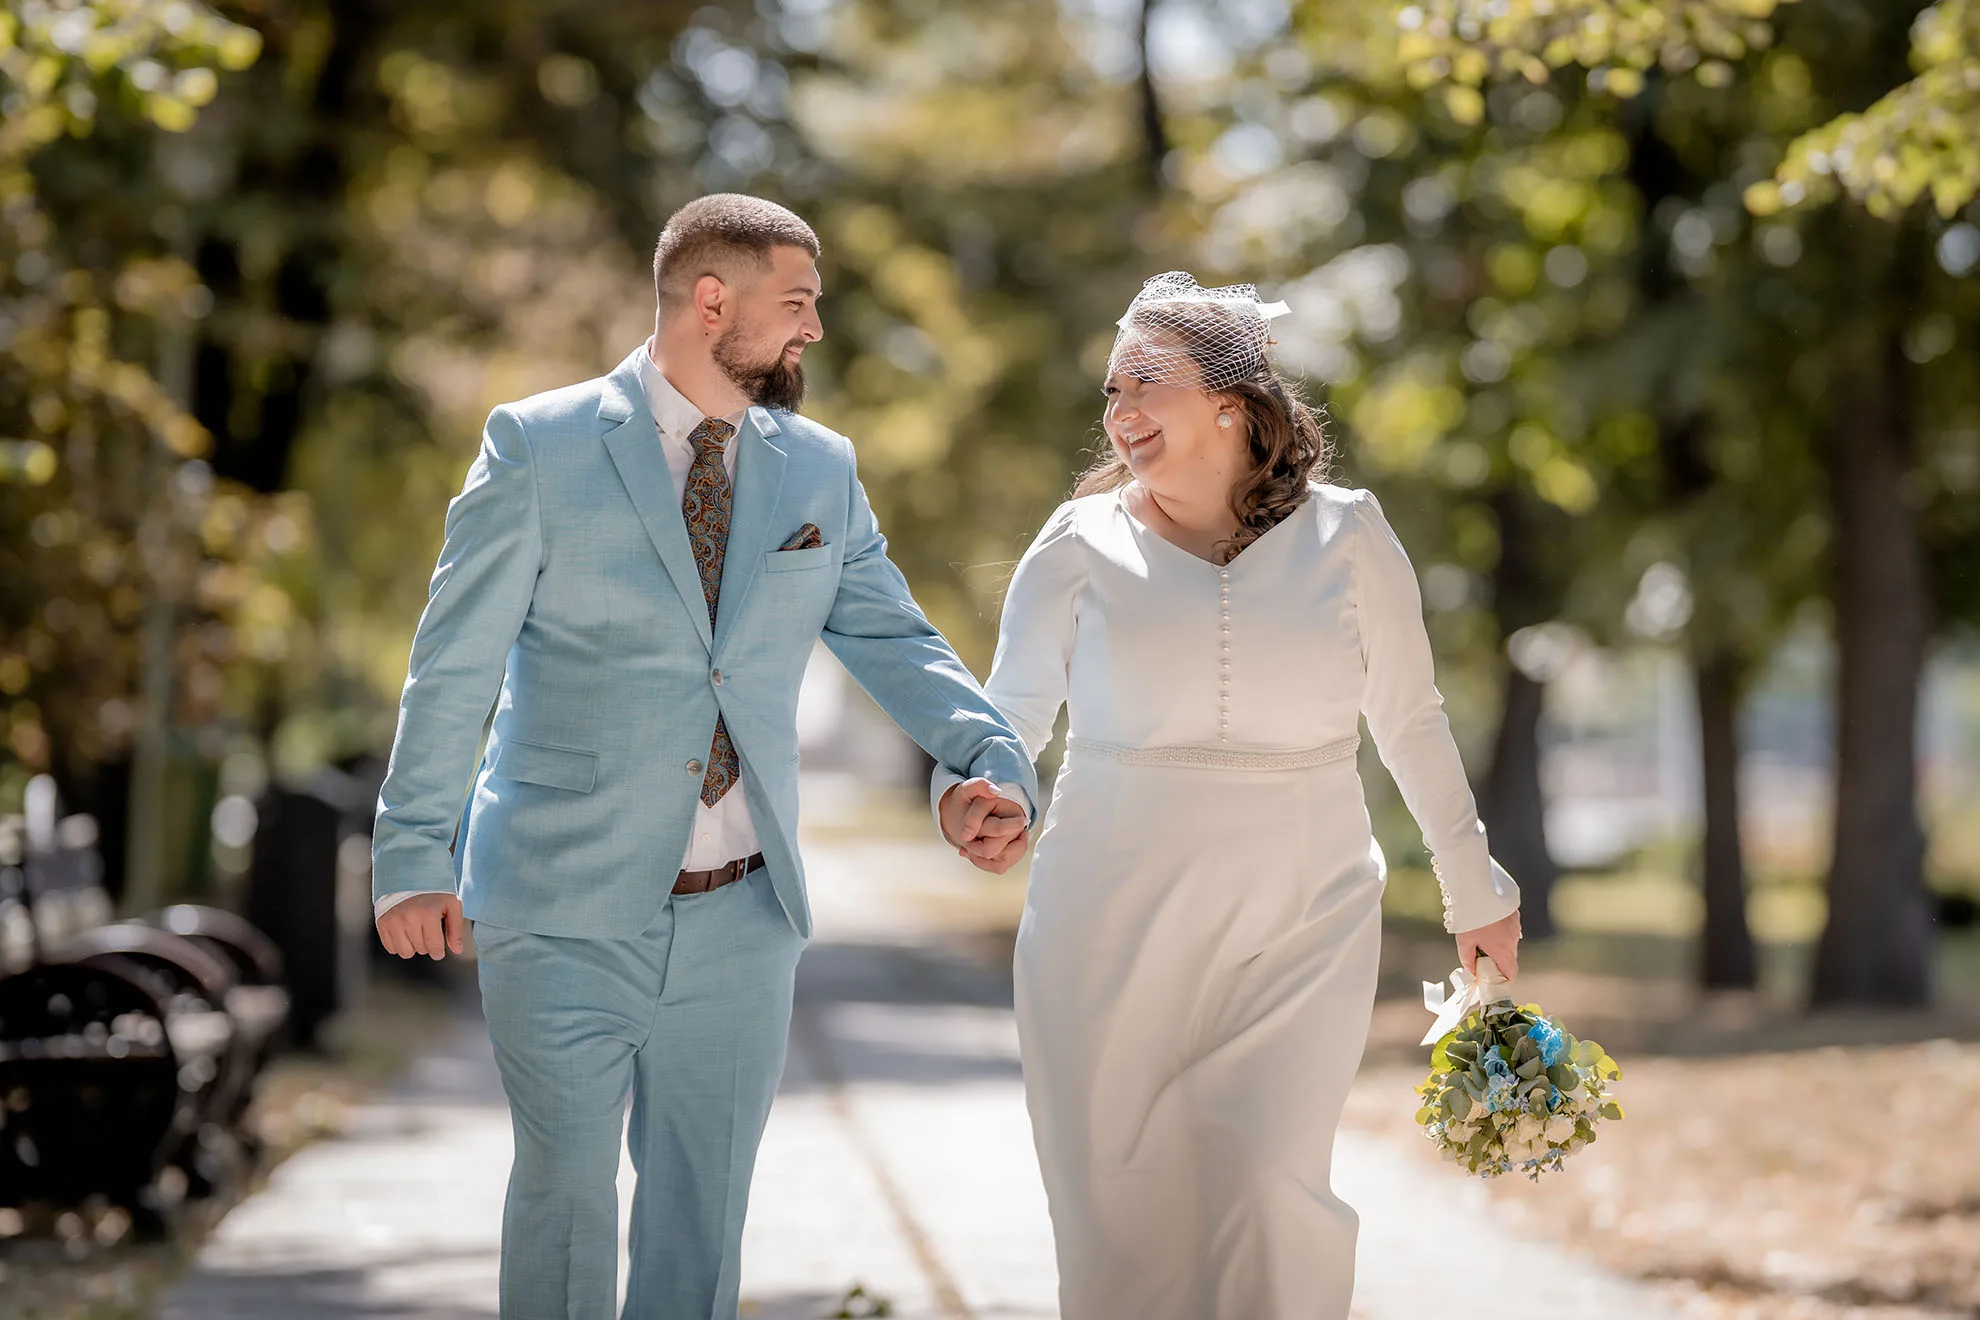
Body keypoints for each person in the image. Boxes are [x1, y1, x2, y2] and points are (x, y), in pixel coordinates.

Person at [370, 193, 1033, 1320]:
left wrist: (989, 757)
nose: (812, 331)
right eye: (797, 303)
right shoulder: (538, 446)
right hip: (561, 898)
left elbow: (895, 640)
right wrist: (413, 852)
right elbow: (453, 670)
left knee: (701, 1223)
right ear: (711, 301)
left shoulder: (819, 471)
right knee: (567, 1199)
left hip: (743, 915)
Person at [942, 272, 1524, 1318]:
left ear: (1232, 401)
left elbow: (1412, 719)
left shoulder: (1351, 538)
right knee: (1120, 1225)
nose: (1118, 414)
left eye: (1143, 384)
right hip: (1103, 921)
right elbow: (1007, 717)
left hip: (1301, 915)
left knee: (1268, 1186)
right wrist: (977, 791)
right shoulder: (1076, 546)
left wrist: (1471, 884)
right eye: (1109, 394)